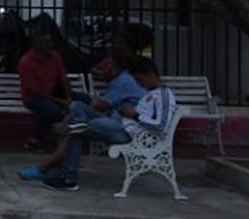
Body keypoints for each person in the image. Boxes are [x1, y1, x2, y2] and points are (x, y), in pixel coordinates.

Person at [42, 57, 177, 191]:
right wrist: (125, 112)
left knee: (78, 127)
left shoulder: (164, 95)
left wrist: (135, 115)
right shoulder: (151, 93)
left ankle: (68, 176)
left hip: (127, 133)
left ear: (150, 75)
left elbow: (161, 126)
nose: (139, 84)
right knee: (78, 107)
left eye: (140, 80)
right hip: (120, 123)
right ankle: (76, 127)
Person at [18, 42, 144, 180]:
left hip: (124, 130)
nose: (103, 67)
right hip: (115, 123)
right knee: (77, 109)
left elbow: (100, 106)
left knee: (77, 127)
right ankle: (58, 166)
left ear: (114, 65)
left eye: (107, 63)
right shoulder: (122, 80)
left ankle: (52, 170)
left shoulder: (123, 82)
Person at [18, 32, 72, 151]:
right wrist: (61, 102)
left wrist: (68, 97)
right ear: (37, 45)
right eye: (47, 42)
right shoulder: (26, 62)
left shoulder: (55, 56)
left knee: (83, 100)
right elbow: (35, 92)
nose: (51, 45)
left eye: (50, 42)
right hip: (33, 98)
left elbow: (63, 78)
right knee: (52, 111)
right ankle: (34, 138)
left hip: (53, 93)